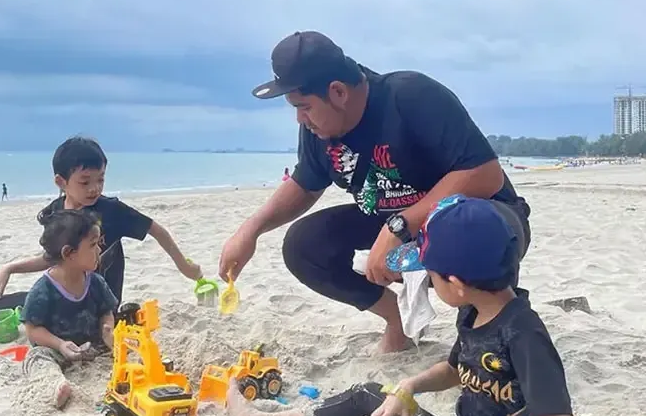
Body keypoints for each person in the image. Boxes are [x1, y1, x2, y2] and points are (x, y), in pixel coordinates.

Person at [227, 197, 575, 416]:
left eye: (430, 276)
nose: (427, 283)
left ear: (455, 284)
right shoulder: (473, 312)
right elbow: (458, 369)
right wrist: (411, 386)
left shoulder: (524, 333)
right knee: (370, 393)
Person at [219, 31, 531, 352]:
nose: (299, 118)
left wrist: (400, 225)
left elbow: (485, 174)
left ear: (338, 92)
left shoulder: (410, 97)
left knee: (473, 247)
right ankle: (398, 320)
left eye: (304, 106)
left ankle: (490, 330)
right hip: (397, 226)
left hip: (480, 218)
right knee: (303, 245)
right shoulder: (319, 129)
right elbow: (305, 184)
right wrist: (250, 231)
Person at [0, 136, 202, 306]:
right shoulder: (55, 214)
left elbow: (156, 230)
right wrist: (9, 268)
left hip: (102, 304)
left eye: (101, 179)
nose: (95, 188)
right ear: (61, 182)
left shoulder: (112, 210)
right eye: (85, 182)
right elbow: (52, 259)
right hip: (66, 296)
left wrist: (183, 265)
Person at [21, 208, 116, 409]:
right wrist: (60, 344)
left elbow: (106, 312)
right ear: (68, 253)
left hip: (94, 347)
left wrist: (107, 329)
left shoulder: (96, 282)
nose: (99, 250)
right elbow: (32, 329)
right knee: (36, 358)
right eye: (93, 245)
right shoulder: (43, 288)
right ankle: (55, 385)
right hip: (58, 350)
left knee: (124, 349)